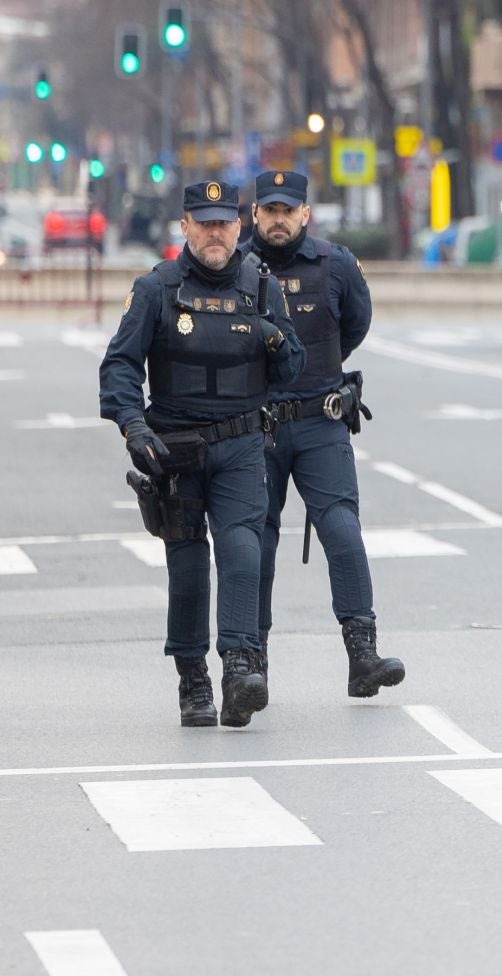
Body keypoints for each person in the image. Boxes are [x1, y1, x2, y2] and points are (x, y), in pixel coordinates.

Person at [99, 180, 303, 728]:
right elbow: (120, 365)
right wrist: (133, 427)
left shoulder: (263, 288)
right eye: (204, 222)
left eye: (224, 222)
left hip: (241, 445)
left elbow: (293, 369)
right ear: (185, 227)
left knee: (243, 551)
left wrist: (276, 339)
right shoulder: (156, 290)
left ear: (239, 227)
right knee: (188, 568)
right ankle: (193, 679)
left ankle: (240, 667)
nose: (216, 233)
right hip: (176, 448)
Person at [244, 170, 404, 703]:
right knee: (255, 543)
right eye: (270, 210)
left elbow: (355, 325)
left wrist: (320, 375)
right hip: (256, 426)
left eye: (289, 210)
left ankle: (363, 655)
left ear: (305, 215)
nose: (280, 219)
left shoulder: (336, 265)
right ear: (256, 215)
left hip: (320, 422)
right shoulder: (237, 267)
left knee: (342, 530)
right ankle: (251, 662)